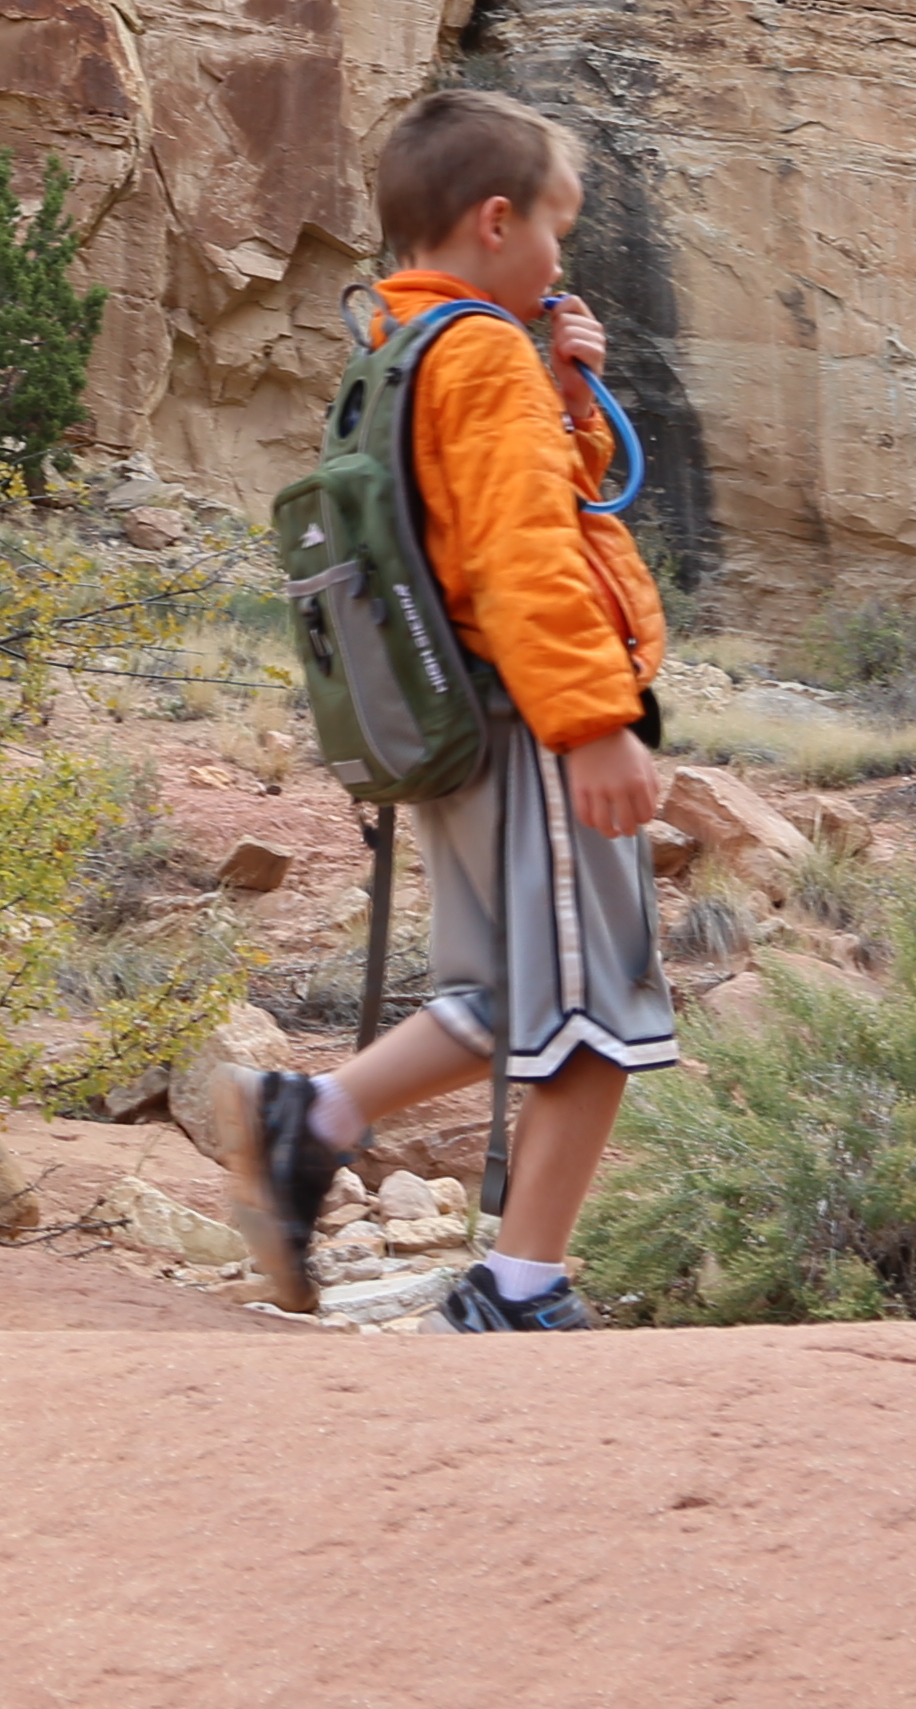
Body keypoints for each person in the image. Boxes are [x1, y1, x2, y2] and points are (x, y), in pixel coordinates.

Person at [206, 85, 674, 1333]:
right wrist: (595, 724)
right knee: (592, 1013)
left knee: (507, 992)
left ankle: (310, 1118)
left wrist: (573, 398)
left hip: (458, 732)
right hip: (532, 730)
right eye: (556, 235)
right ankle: (521, 1288)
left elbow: (492, 515)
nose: (562, 263)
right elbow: (526, 557)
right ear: (497, 220)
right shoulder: (486, 356)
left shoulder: (402, 349)